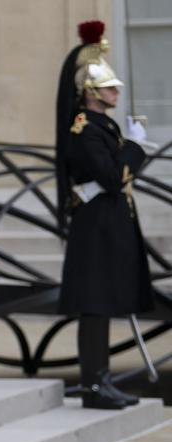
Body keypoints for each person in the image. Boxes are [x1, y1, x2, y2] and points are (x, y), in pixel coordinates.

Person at [55, 21, 153, 410]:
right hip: (95, 228)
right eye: (110, 88)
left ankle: (102, 379)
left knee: (105, 304)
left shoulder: (101, 126)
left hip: (109, 225)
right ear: (92, 93)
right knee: (95, 305)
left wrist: (127, 145)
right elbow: (112, 178)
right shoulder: (85, 130)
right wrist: (134, 148)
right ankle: (94, 383)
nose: (116, 93)